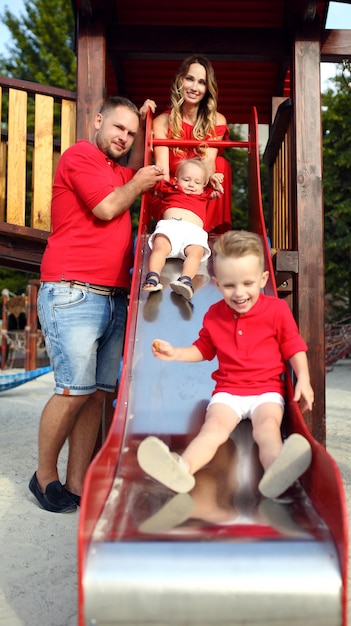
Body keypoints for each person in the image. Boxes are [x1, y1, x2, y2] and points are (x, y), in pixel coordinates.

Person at [29, 96, 165, 513]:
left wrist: (150, 119)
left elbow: (146, 168)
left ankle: (76, 482)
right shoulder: (81, 155)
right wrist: (138, 183)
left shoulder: (118, 171)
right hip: (73, 289)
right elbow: (107, 207)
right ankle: (44, 477)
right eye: (118, 128)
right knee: (72, 390)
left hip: (114, 296)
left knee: (98, 394)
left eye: (130, 133)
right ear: (98, 120)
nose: (124, 137)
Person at [138, 230, 314, 499]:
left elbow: (294, 347)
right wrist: (176, 353)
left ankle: (276, 473)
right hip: (228, 392)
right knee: (213, 430)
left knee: (266, 429)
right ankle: (181, 469)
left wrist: (303, 379)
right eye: (230, 286)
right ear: (218, 285)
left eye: (248, 283)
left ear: (263, 280)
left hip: (266, 391)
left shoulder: (276, 310)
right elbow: (203, 350)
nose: (239, 293)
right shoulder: (214, 314)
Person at [152, 55, 232, 234]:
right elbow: (162, 170)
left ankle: (209, 233)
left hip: (201, 190)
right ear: (180, 80)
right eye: (190, 79)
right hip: (172, 191)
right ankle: (173, 228)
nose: (195, 87)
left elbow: (208, 162)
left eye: (202, 82)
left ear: (207, 88)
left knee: (221, 165)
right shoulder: (162, 122)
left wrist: (208, 184)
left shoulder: (217, 120)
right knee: (157, 178)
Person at [142, 158, 223, 300]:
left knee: (196, 253)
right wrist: (156, 171)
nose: (192, 184)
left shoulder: (204, 194)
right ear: (176, 180)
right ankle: (153, 277)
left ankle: (185, 280)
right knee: (160, 247)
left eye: (197, 182)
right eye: (186, 179)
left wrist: (215, 181)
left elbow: (218, 191)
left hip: (193, 232)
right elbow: (153, 185)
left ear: (203, 186)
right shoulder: (170, 189)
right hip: (170, 227)